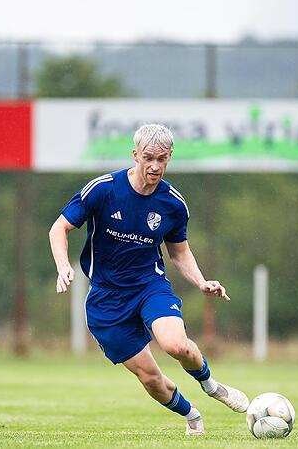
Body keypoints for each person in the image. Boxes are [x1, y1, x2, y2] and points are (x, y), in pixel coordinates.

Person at [48, 124, 249, 436]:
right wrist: (63, 266)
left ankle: (211, 387)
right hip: (105, 299)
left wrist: (201, 282)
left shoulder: (173, 204)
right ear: (135, 155)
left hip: (148, 287)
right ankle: (192, 415)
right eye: (148, 158)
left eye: (162, 159)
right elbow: (58, 228)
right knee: (150, 377)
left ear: (170, 158)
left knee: (175, 345)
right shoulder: (103, 190)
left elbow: (179, 253)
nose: (155, 166)